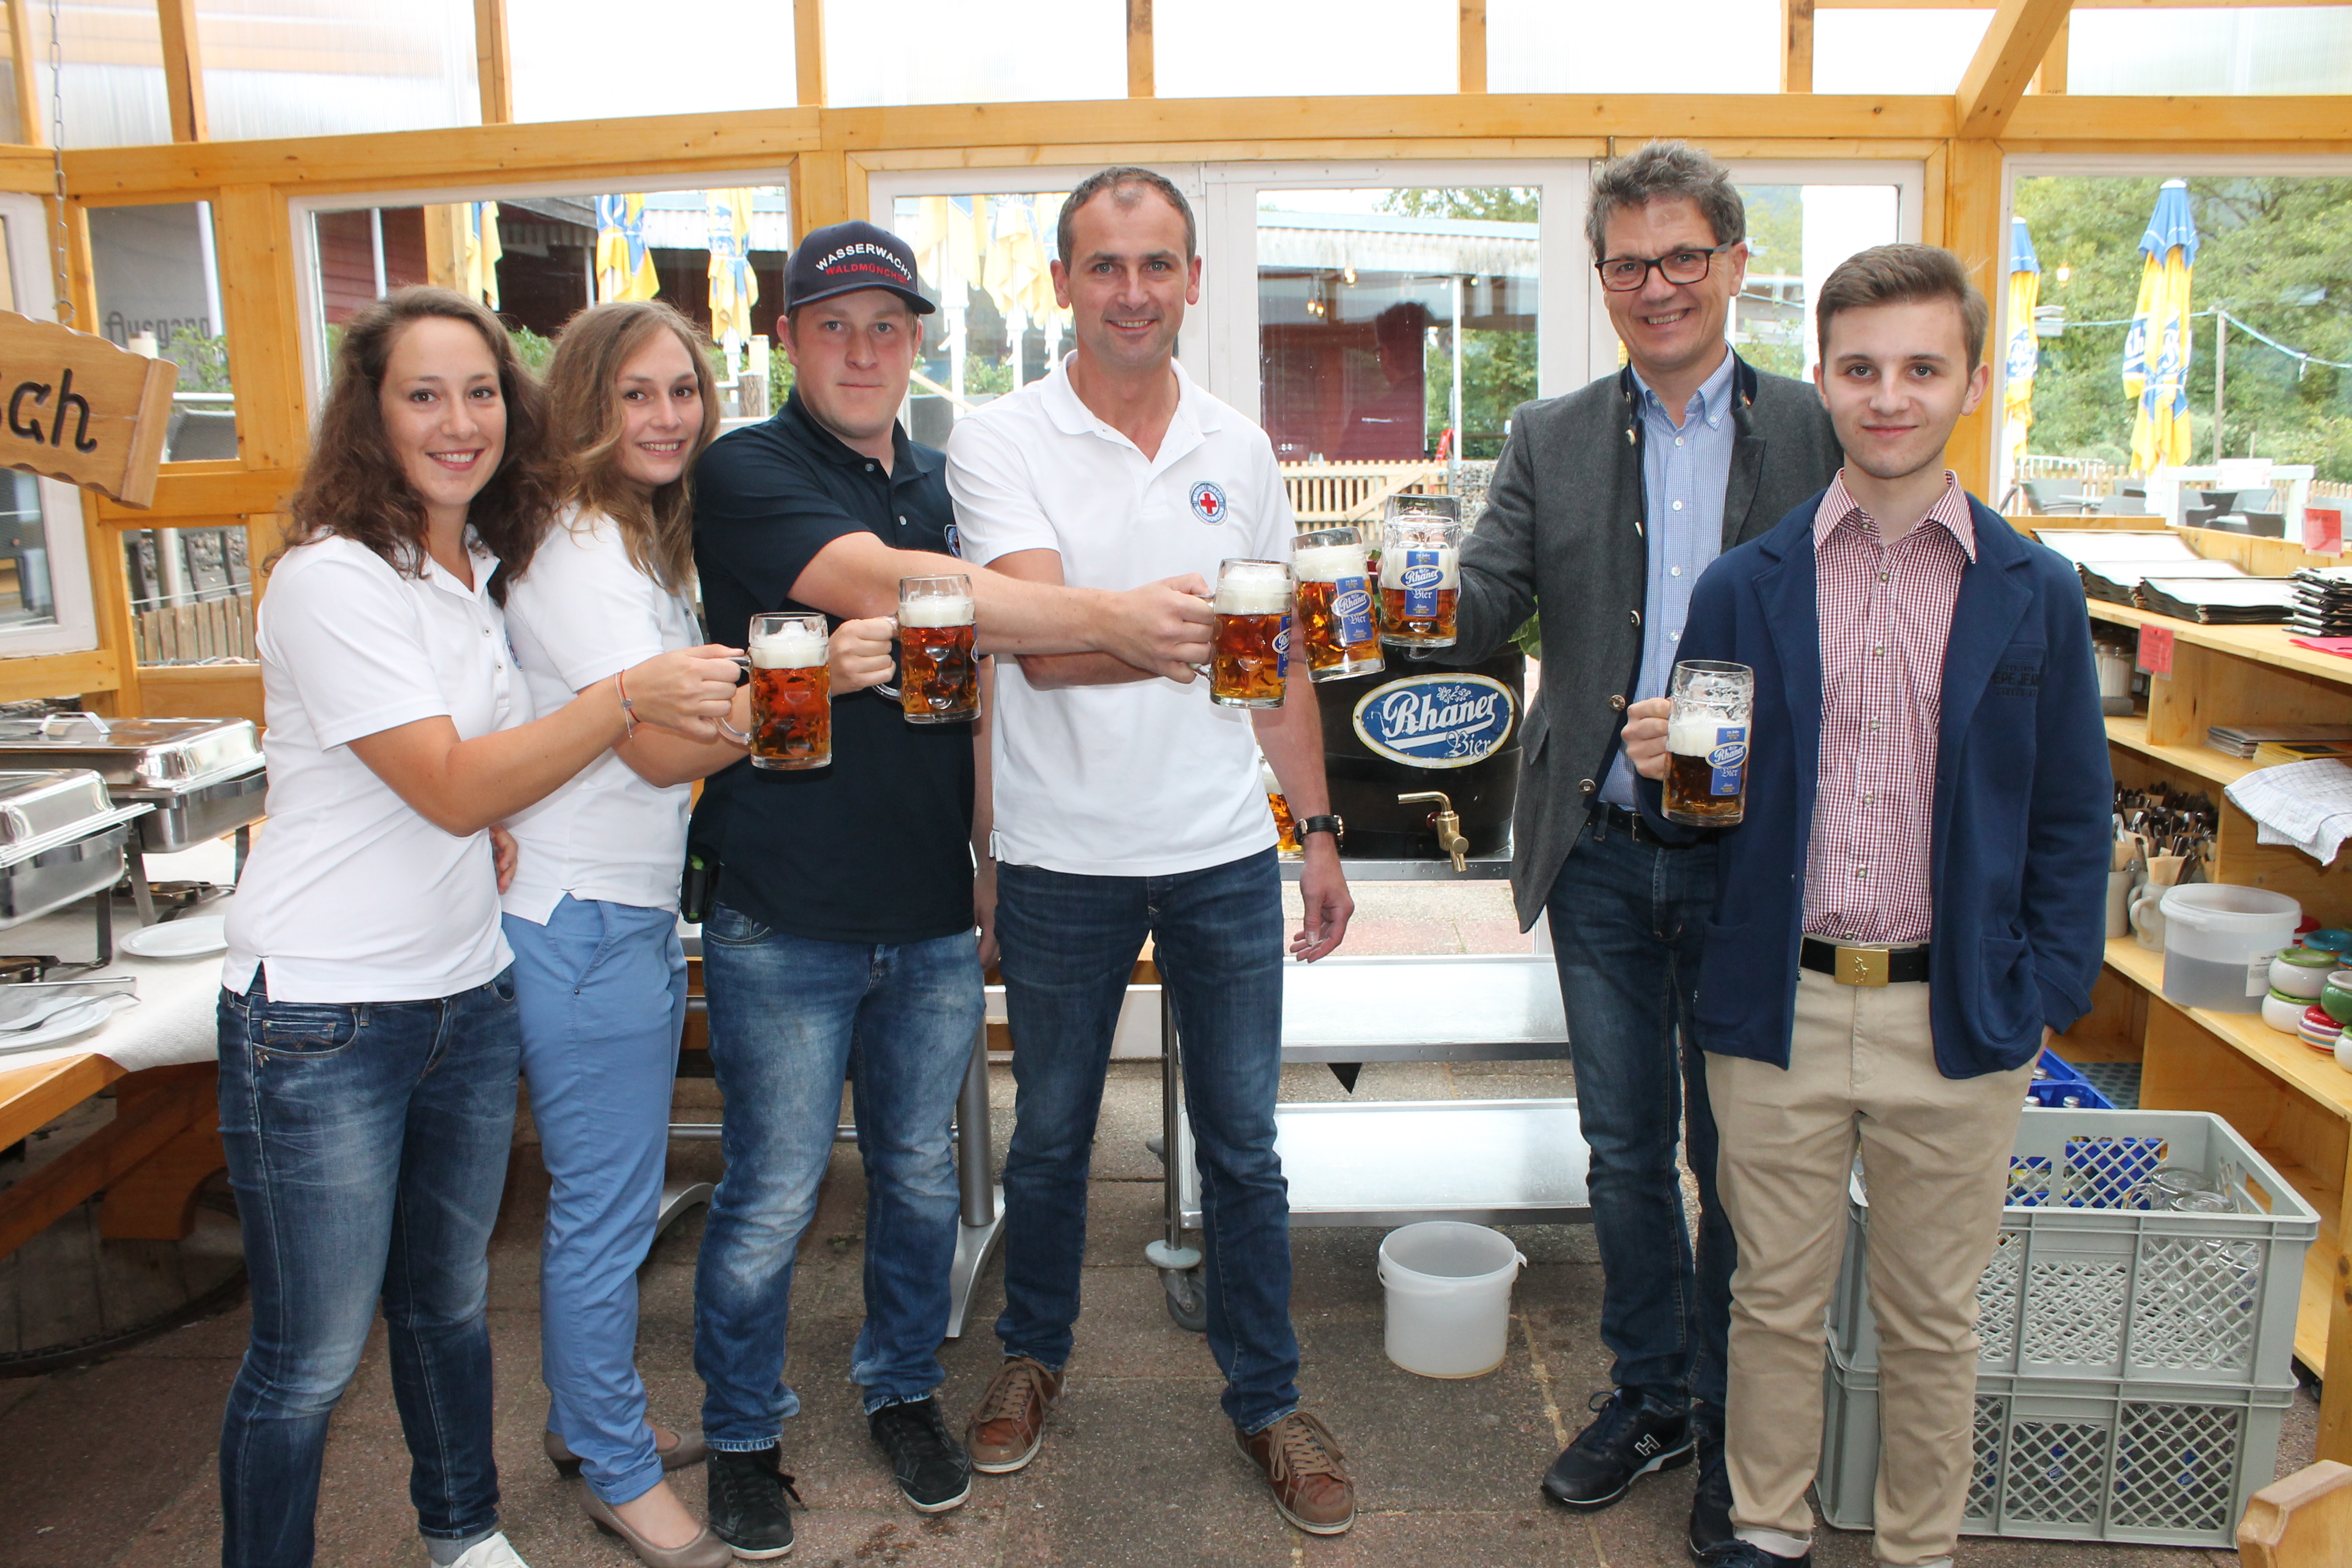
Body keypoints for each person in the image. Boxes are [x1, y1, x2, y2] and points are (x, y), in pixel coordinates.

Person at [687, 220, 1216, 1559]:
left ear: (917, 338)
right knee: (773, 1191)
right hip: (784, 904)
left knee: (923, 1177)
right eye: (833, 325)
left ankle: (900, 1386)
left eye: (888, 326)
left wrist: (984, 858)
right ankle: (742, 1429)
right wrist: (1110, 615)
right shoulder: (748, 468)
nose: (864, 351)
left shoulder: (941, 476)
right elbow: (909, 589)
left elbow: (974, 684)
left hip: (926, 906)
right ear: (787, 339)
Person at [216, 287, 740, 1568]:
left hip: (466, 979)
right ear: (370, 414)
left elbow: (479, 769)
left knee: (446, 1300)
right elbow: (454, 780)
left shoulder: (467, 575)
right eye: (424, 395)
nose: (459, 422)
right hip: (325, 1005)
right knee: (310, 1355)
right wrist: (628, 700)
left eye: (480, 392)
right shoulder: (332, 580)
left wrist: (504, 804)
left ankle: (463, 1529)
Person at [1621, 243, 2110, 1568]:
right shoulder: (1745, 583)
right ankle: (1766, 1530)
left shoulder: (2038, 591)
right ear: (1823, 378)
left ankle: (1917, 1547)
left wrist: (2044, 990)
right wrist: (1669, 771)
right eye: (1861, 369)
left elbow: (2074, 816)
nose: (1890, 396)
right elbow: (1705, 813)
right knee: (1773, 1299)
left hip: (1957, 1015)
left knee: (1933, 1318)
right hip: (1776, 1008)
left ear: (1972, 381)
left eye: (1922, 368)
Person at [1425, 140, 1841, 1552]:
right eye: (1628, 263)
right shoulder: (1549, 434)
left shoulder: (1818, 426)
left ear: (1734, 264)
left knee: (1743, 1156)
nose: (1656, 285)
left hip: (1751, 858)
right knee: (1621, 1147)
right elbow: (1488, 599)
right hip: (1601, 845)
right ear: (1599, 276)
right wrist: (1408, 592)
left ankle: (1738, 1425)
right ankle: (1652, 1391)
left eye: (1682, 257)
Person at [946, 166, 1359, 1537]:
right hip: (1061, 854)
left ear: (1191, 280)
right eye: (1106, 265)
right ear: (1063, 282)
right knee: (1053, 1134)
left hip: (1222, 850)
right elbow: (1041, 647)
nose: (1133, 291)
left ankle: (1269, 1398)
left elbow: (1276, 657)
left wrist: (1318, 832)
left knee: (1244, 1145)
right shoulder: (1000, 439)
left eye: (1157, 264)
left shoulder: (1241, 448)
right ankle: (1033, 1354)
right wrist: (1150, 630)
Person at [498, 300, 874, 1568]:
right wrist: (819, 677)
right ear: (584, 404)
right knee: (606, 1208)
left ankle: (580, 1417)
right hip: (581, 912)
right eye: (636, 394)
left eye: (684, 391)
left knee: (602, 1195)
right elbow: (660, 751)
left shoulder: (635, 541)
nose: (668, 417)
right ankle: (618, 1471)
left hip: (624, 905)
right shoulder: (577, 549)